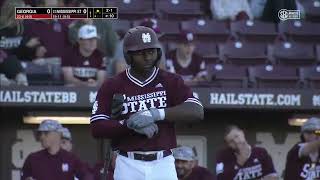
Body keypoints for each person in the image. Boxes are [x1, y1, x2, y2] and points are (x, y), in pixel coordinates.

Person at [90, 26, 204, 180]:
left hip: (163, 163)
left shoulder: (171, 80)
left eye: (151, 51)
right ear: (128, 55)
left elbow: (196, 110)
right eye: (140, 52)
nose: (147, 57)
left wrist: (156, 114)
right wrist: (128, 124)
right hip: (127, 163)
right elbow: (97, 127)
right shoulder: (112, 85)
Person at [21, 120, 93, 180]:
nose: (41, 137)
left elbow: (87, 176)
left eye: (46, 133)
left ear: (58, 134)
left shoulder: (71, 159)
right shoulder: (33, 159)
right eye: (40, 134)